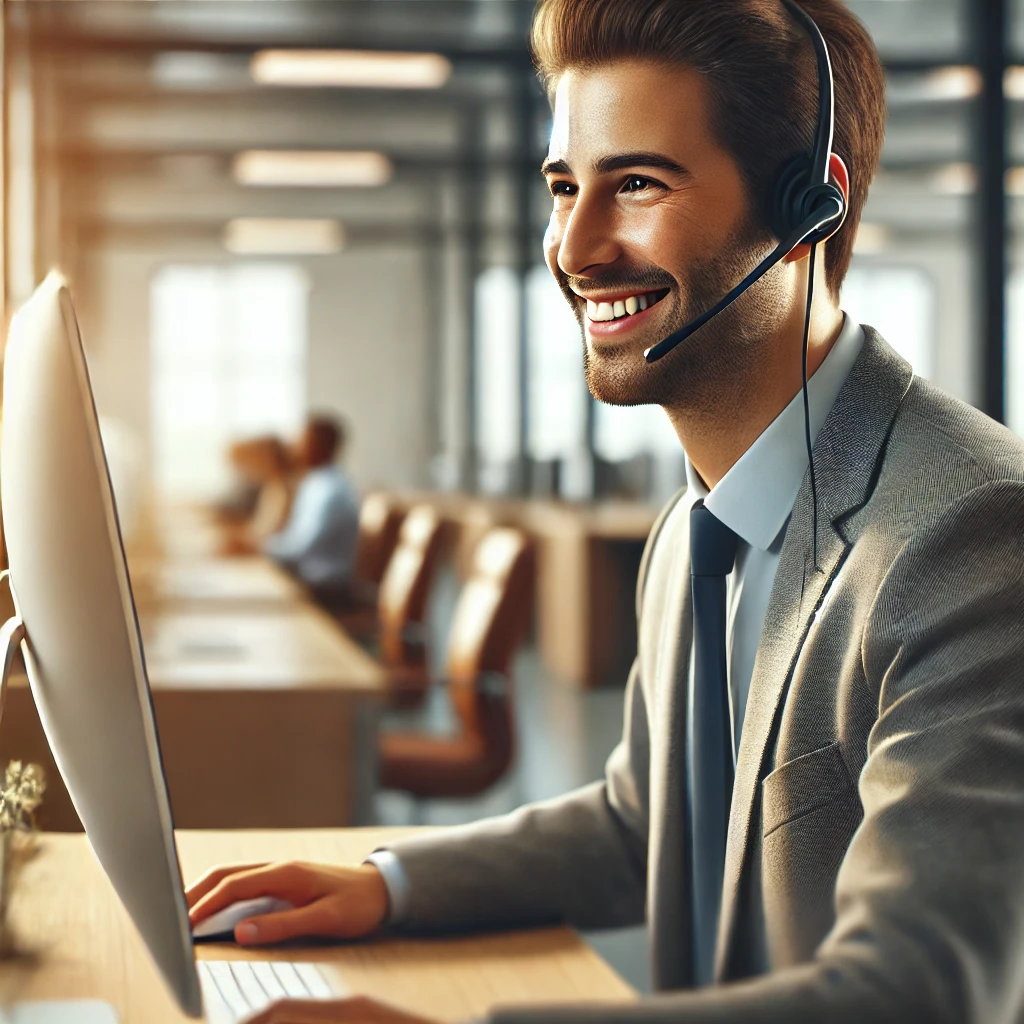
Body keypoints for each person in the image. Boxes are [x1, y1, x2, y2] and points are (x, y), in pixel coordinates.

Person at [187, 1, 1024, 1021]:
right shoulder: (691, 536)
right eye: (561, 188)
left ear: (810, 208)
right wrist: (392, 884)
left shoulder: (974, 533)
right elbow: (642, 822)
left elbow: (922, 992)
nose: (575, 248)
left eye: (635, 184)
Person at [261, 415, 360, 610]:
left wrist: (259, 547)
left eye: (302, 442)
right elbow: (294, 538)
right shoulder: (314, 483)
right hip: (309, 580)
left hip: (327, 590)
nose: (296, 449)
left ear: (323, 446)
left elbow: (302, 548)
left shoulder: (331, 491)